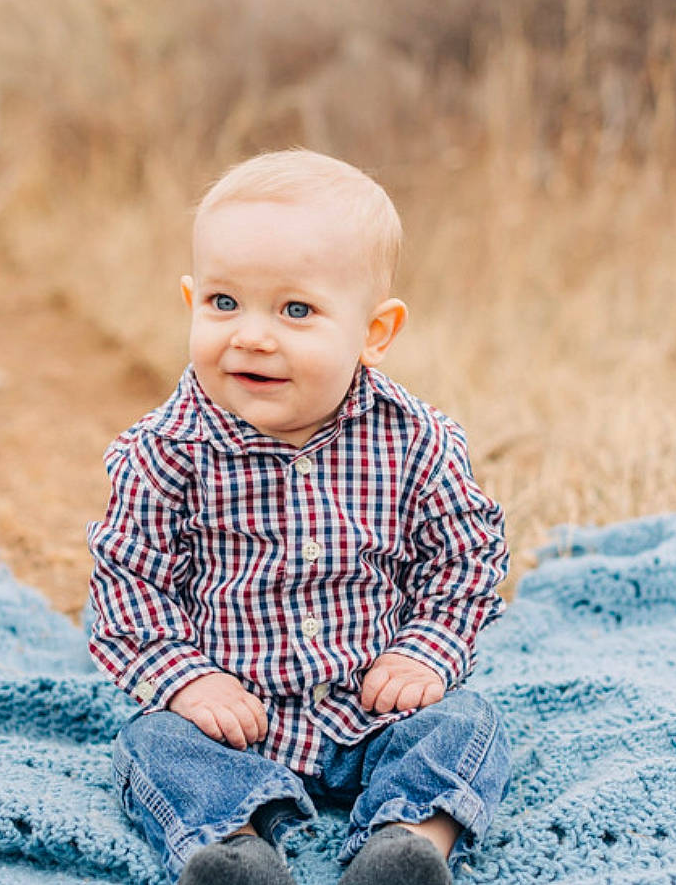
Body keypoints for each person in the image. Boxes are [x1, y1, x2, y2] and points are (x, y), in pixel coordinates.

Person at [88, 150, 510, 885]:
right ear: (190, 301)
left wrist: (423, 654)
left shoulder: (416, 440)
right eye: (224, 303)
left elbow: (464, 560)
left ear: (375, 332)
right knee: (150, 743)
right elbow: (129, 586)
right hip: (231, 724)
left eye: (295, 310)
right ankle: (232, 848)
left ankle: (407, 844)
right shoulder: (165, 451)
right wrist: (190, 683)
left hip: (373, 711)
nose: (252, 336)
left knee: (468, 724)